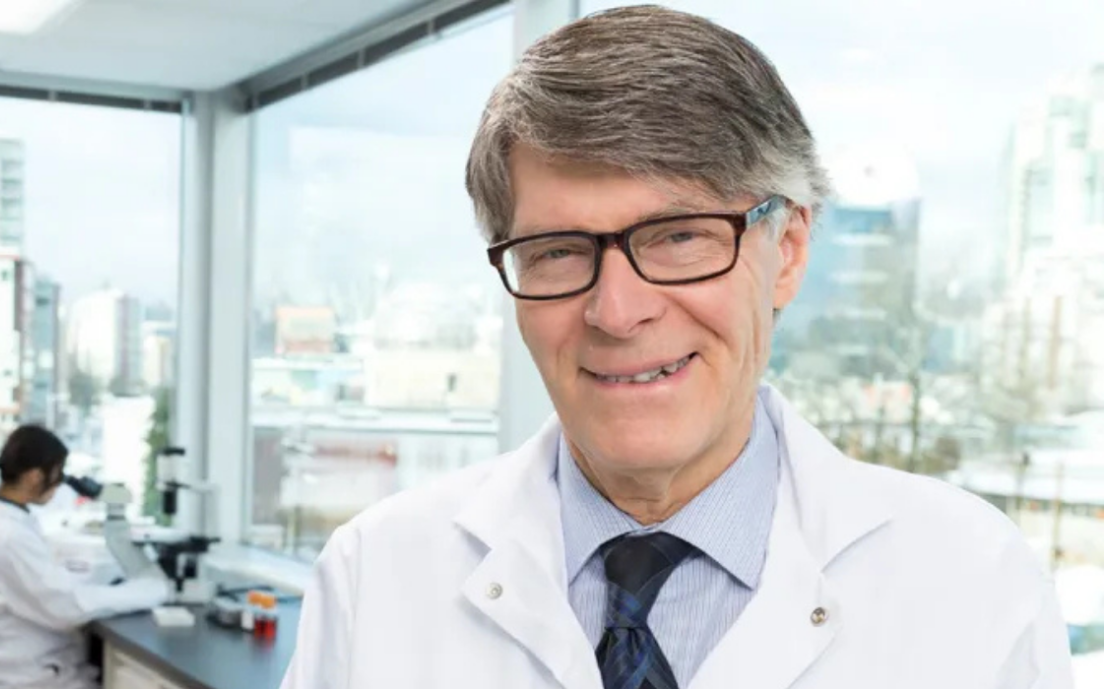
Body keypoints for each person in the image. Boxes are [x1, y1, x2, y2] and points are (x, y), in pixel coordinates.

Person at [281, 6, 1073, 689]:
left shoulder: (972, 585)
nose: (617, 311)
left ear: (788, 250)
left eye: (680, 236)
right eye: (557, 249)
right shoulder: (373, 578)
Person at [0, 425, 167, 689]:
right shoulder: (8, 534)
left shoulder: (0, 521)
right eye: (57, 473)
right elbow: (63, 607)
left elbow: (46, 589)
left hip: (12, 667)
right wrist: (146, 592)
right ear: (34, 477)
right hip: (22, 677)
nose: (60, 482)